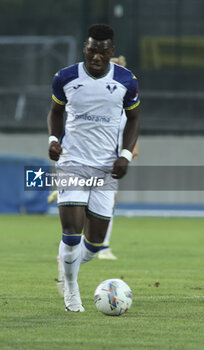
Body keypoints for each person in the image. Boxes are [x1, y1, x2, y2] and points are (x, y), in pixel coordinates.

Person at [47, 24, 140, 312]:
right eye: (91, 50)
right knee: (72, 233)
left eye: (102, 51)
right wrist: (53, 139)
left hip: (104, 169)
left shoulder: (127, 80)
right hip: (73, 163)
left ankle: (68, 264)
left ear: (111, 52)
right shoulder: (65, 77)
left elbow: (134, 119)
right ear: (84, 49)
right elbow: (56, 111)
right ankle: (71, 291)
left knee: (95, 243)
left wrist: (125, 154)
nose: (96, 56)